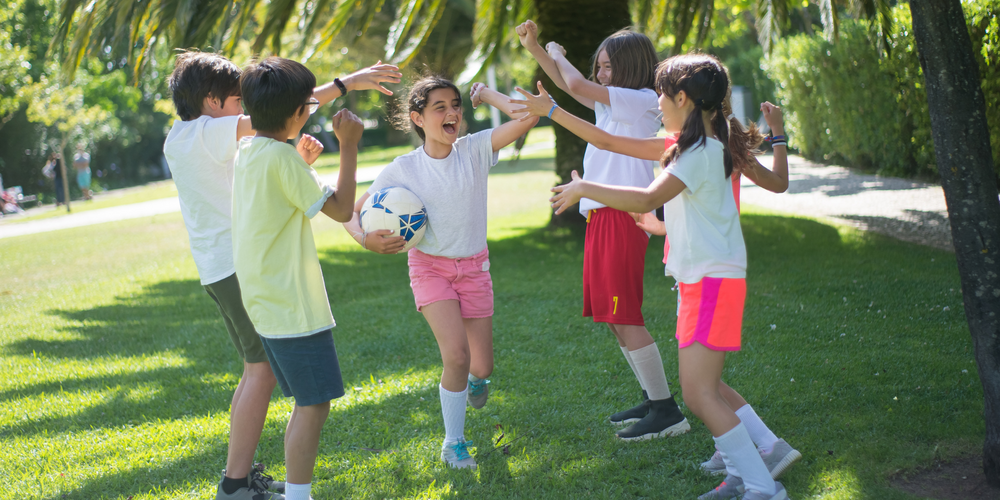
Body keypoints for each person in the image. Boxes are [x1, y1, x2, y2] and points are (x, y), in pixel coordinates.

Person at [511, 80, 801, 485]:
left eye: (663, 94)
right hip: (697, 268)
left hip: (709, 274)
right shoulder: (703, 146)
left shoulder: (699, 149)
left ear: (685, 99)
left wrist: (581, 179)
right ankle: (748, 457)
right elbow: (617, 148)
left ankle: (761, 474)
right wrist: (661, 227)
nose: (657, 102)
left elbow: (640, 184)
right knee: (704, 384)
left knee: (700, 389)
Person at [163, 50, 400, 500]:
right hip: (245, 269)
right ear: (212, 101)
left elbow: (276, 120)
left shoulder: (188, 138)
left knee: (257, 371)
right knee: (264, 375)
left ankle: (239, 478)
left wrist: (302, 159)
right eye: (238, 100)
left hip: (224, 267)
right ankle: (236, 484)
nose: (244, 109)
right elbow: (277, 112)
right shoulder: (211, 133)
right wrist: (347, 89)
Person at [342, 76, 538, 470]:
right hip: (429, 268)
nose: (452, 113)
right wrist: (364, 239)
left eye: (456, 105)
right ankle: (454, 444)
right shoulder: (403, 168)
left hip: (475, 267)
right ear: (418, 118)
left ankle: (476, 382)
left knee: (481, 366)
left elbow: (528, 116)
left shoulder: (475, 149)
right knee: (457, 357)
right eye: (440, 107)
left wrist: (487, 94)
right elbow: (349, 209)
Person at [513, 20, 689, 441]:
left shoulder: (639, 99)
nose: (601, 74)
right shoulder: (614, 105)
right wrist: (536, 48)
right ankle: (652, 397)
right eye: (599, 67)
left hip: (620, 214)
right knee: (613, 317)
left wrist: (557, 52)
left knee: (624, 314)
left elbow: (574, 82)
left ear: (631, 66)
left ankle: (666, 411)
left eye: (608, 66)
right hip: (602, 214)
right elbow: (570, 86)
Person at [231, 56, 367, 500]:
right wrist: (349, 146)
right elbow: (342, 210)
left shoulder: (250, 150)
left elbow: (280, 198)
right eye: (309, 104)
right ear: (297, 113)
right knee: (313, 404)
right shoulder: (282, 159)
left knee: (308, 401)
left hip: (266, 301)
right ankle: (298, 496)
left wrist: (300, 161)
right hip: (292, 305)